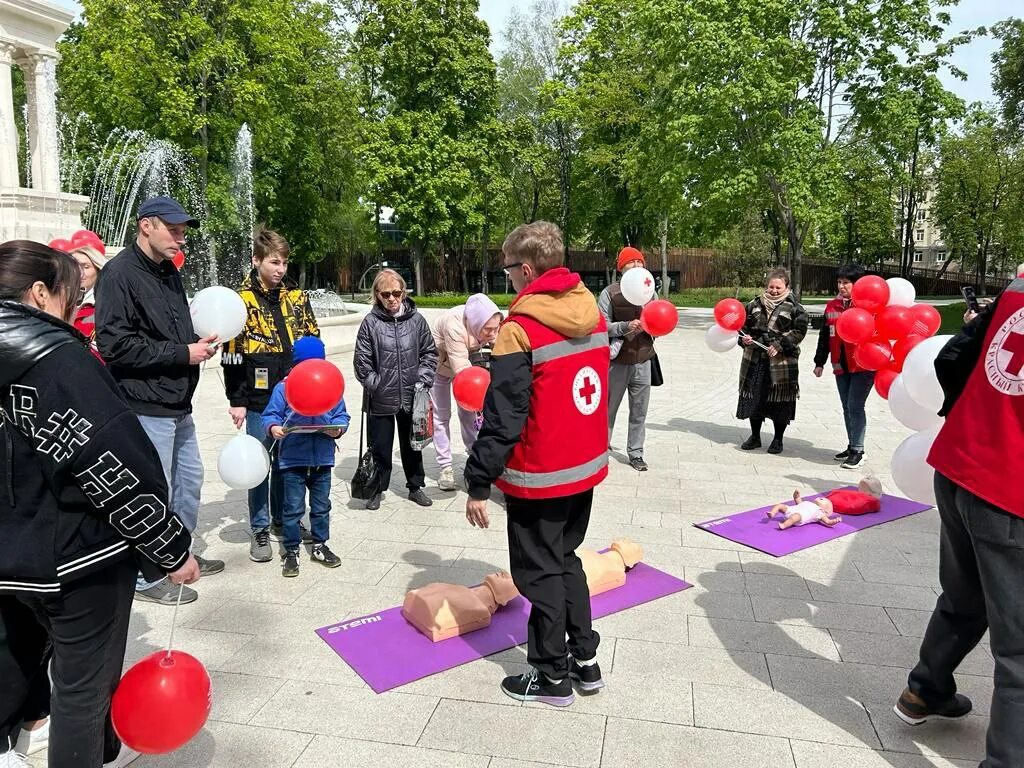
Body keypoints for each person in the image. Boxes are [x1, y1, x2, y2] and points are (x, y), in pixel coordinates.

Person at [0, 240, 198, 768]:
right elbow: (111, 463)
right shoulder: (57, 361)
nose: (75, 304)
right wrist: (171, 548)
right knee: (82, 695)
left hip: (8, 558)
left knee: (12, 671)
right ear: (40, 293)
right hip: (77, 559)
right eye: (70, 292)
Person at [463, 221, 609, 707]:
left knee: (537, 574)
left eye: (507, 270)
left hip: (539, 474)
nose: (507, 280)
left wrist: (478, 480)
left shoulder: (519, 328)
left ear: (526, 269)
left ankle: (550, 677)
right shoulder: (594, 313)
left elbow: (504, 416)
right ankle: (585, 663)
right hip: (583, 467)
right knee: (565, 561)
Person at [893, 283, 1022, 767]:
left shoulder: (1017, 291)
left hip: (958, 464)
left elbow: (955, 355)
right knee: (1021, 651)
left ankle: (924, 691)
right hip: (1009, 491)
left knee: (965, 597)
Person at [95, 196, 224, 606]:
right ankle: (145, 577)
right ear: (146, 225)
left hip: (177, 402)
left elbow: (175, 330)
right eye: (174, 229)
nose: (181, 238)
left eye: (184, 230)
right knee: (152, 492)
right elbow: (114, 345)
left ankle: (175, 556)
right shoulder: (118, 275)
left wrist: (198, 344)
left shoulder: (169, 270)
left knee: (189, 483)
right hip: (144, 403)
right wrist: (182, 354)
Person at [220, 228, 320, 562]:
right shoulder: (241, 300)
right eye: (274, 262)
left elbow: (313, 338)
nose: (280, 269)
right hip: (258, 397)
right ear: (257, 260)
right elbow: (231, 352)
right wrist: (236, 399)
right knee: (259, 464)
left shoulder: (297, 296)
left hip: (294, 395)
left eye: (284, 262)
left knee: (287, 464)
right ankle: (260, 527)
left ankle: (284, 520)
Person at [261, 337, 349, 578]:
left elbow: (342, 416)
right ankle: (291, 550)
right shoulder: (284, 387)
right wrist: (273, 428)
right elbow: (270, 415)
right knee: (292, 508)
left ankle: (320, 545)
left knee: (321, 506)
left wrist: (338, 429)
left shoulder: (329, 385)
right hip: (292, 460)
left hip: (322, 459)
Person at [353, 269, 438, 511]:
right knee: (379, 445)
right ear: (377, 295)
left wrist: (422, 381)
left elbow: (430, 353)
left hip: (412, 393)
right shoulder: (370, 323)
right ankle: (376, 488)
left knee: (413, 443)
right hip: (381, 396)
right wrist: (376, 384)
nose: (392, 298)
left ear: (404, 292)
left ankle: (415, 486)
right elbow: (362, 362)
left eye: (396, 293)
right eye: (386, 294)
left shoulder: (417, 320)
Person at [430, 293, 502, 491]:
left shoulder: (490, 325)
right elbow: (462, 371)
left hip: (466, 362)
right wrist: (477, 399)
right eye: (488, 330)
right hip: (440, 366)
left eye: (496, 328)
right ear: (476, 323)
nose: (493, 333)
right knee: (441, 415)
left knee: (469, 414)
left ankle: (474, 457)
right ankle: (445, 466)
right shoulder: (454, 324)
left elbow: (501, 352)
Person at [737, 269, 808, 455]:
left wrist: (780, 344)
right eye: (771, 287)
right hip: (755, 360)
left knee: (780, 401)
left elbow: (799, 332)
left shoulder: (796, 308)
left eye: (778, 287)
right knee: (754, 397)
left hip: (782, 363)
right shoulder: (753, 305)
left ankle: (778, 439)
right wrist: (744, 338)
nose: (774, 290)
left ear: (787, 287)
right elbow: (742, 328)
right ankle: (755, 436)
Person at [598, 246, 656, 471]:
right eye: (631, 263)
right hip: (617, 362)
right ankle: (601, 450)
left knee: (639, 410)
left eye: (640, 262)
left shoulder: (650, 290)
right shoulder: (609, 293)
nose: (637, 267)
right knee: (608, 409)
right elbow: (601, 326)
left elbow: (659, 318)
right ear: (621, 268)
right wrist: (624, 327)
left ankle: (636, 452)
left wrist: (654, 326)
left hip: (643, 359)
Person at [813, 264, 874, 469]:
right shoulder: (832, 306)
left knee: (855, 406)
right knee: (847, 406)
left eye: (846, 282)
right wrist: (819, 361)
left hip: (863, 365)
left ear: (857, 284)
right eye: (839, 282)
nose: (841, 286)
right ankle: (851, 445)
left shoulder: (868, 306)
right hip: (841, 365)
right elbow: (825, 335)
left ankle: (858, 450)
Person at [70, 243, 109, 362]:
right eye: (74, 266)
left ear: (98, 270)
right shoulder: (59, 301)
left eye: (86, 267)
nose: (79, 272)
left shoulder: (105, 305)